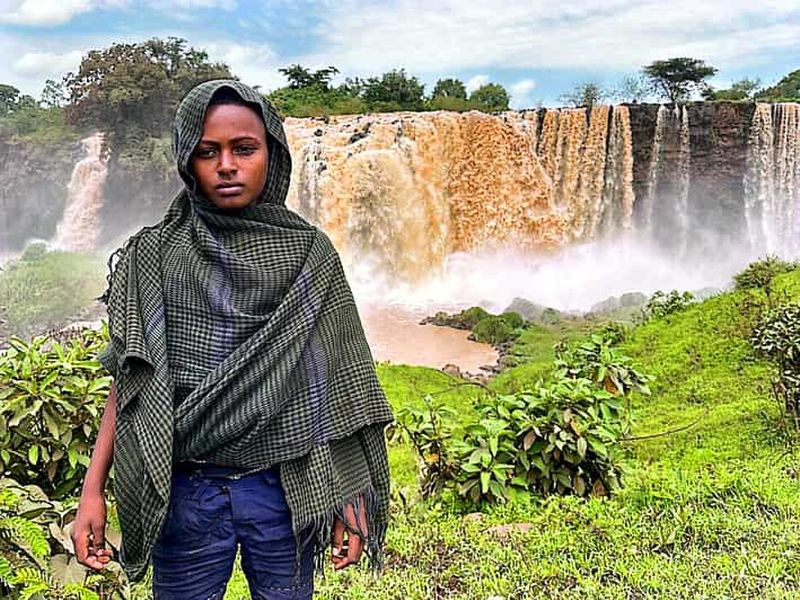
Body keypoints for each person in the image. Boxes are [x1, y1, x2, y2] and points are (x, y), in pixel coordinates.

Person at [71, 79, 394, 599]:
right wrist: (93, 491)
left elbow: (338, 387)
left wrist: (349, 501)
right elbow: (131, 381)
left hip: (286, 490)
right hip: (185, 491)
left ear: (272, 153)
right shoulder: (153, 256)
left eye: (244, 149)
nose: (226, 165)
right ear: (186, 161)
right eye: (207, 151)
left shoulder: (309, 256)